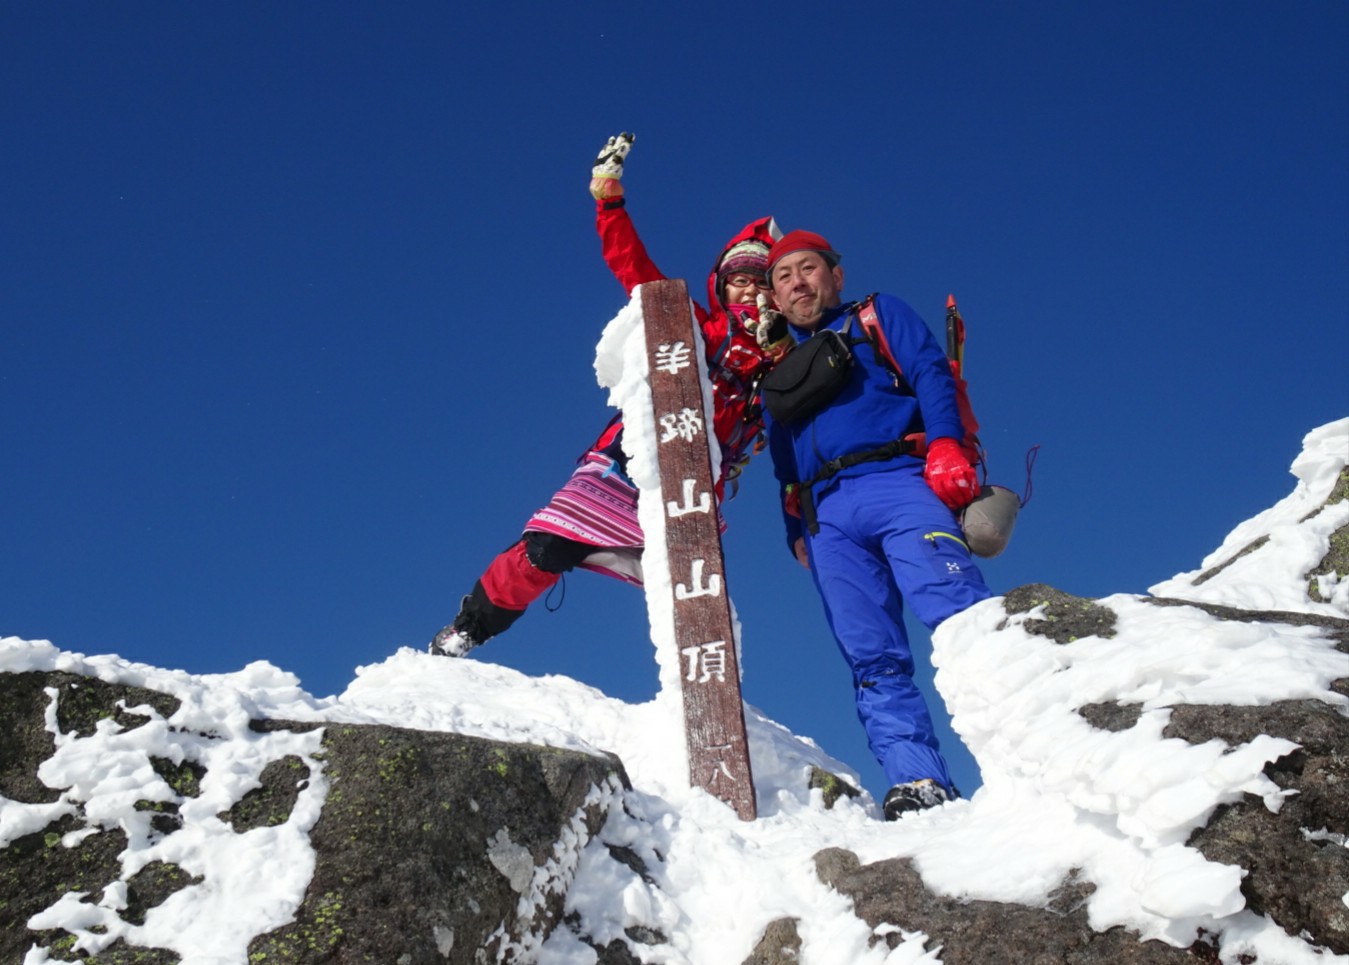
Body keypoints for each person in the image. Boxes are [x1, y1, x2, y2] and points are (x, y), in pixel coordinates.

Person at [430, 133, 785, 658]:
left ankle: (708, 702)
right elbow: (635, 271)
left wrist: (780, 357)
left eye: (762, 279)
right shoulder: (700, 326)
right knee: (547, 546)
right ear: (721, 286)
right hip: (630, 459)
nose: (750, 289)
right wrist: (609, 203)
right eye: (739, 279)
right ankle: (468, 629)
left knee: (689, 594)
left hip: (692, 485)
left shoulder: (788, 355)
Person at [759, 229, 993, 820]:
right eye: (782, 278)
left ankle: (1024, 747)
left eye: (807, 269)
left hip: (899, 479)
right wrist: (795, 529)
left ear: (835, 276)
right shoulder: (779, 372)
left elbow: (931, 373)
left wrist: (945, 446)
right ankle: (920, 782)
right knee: (871, 656)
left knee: (958, 612)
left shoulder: (875, 315)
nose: (796, 282)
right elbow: (783, 462)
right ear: (775, 301)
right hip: (826, 516)